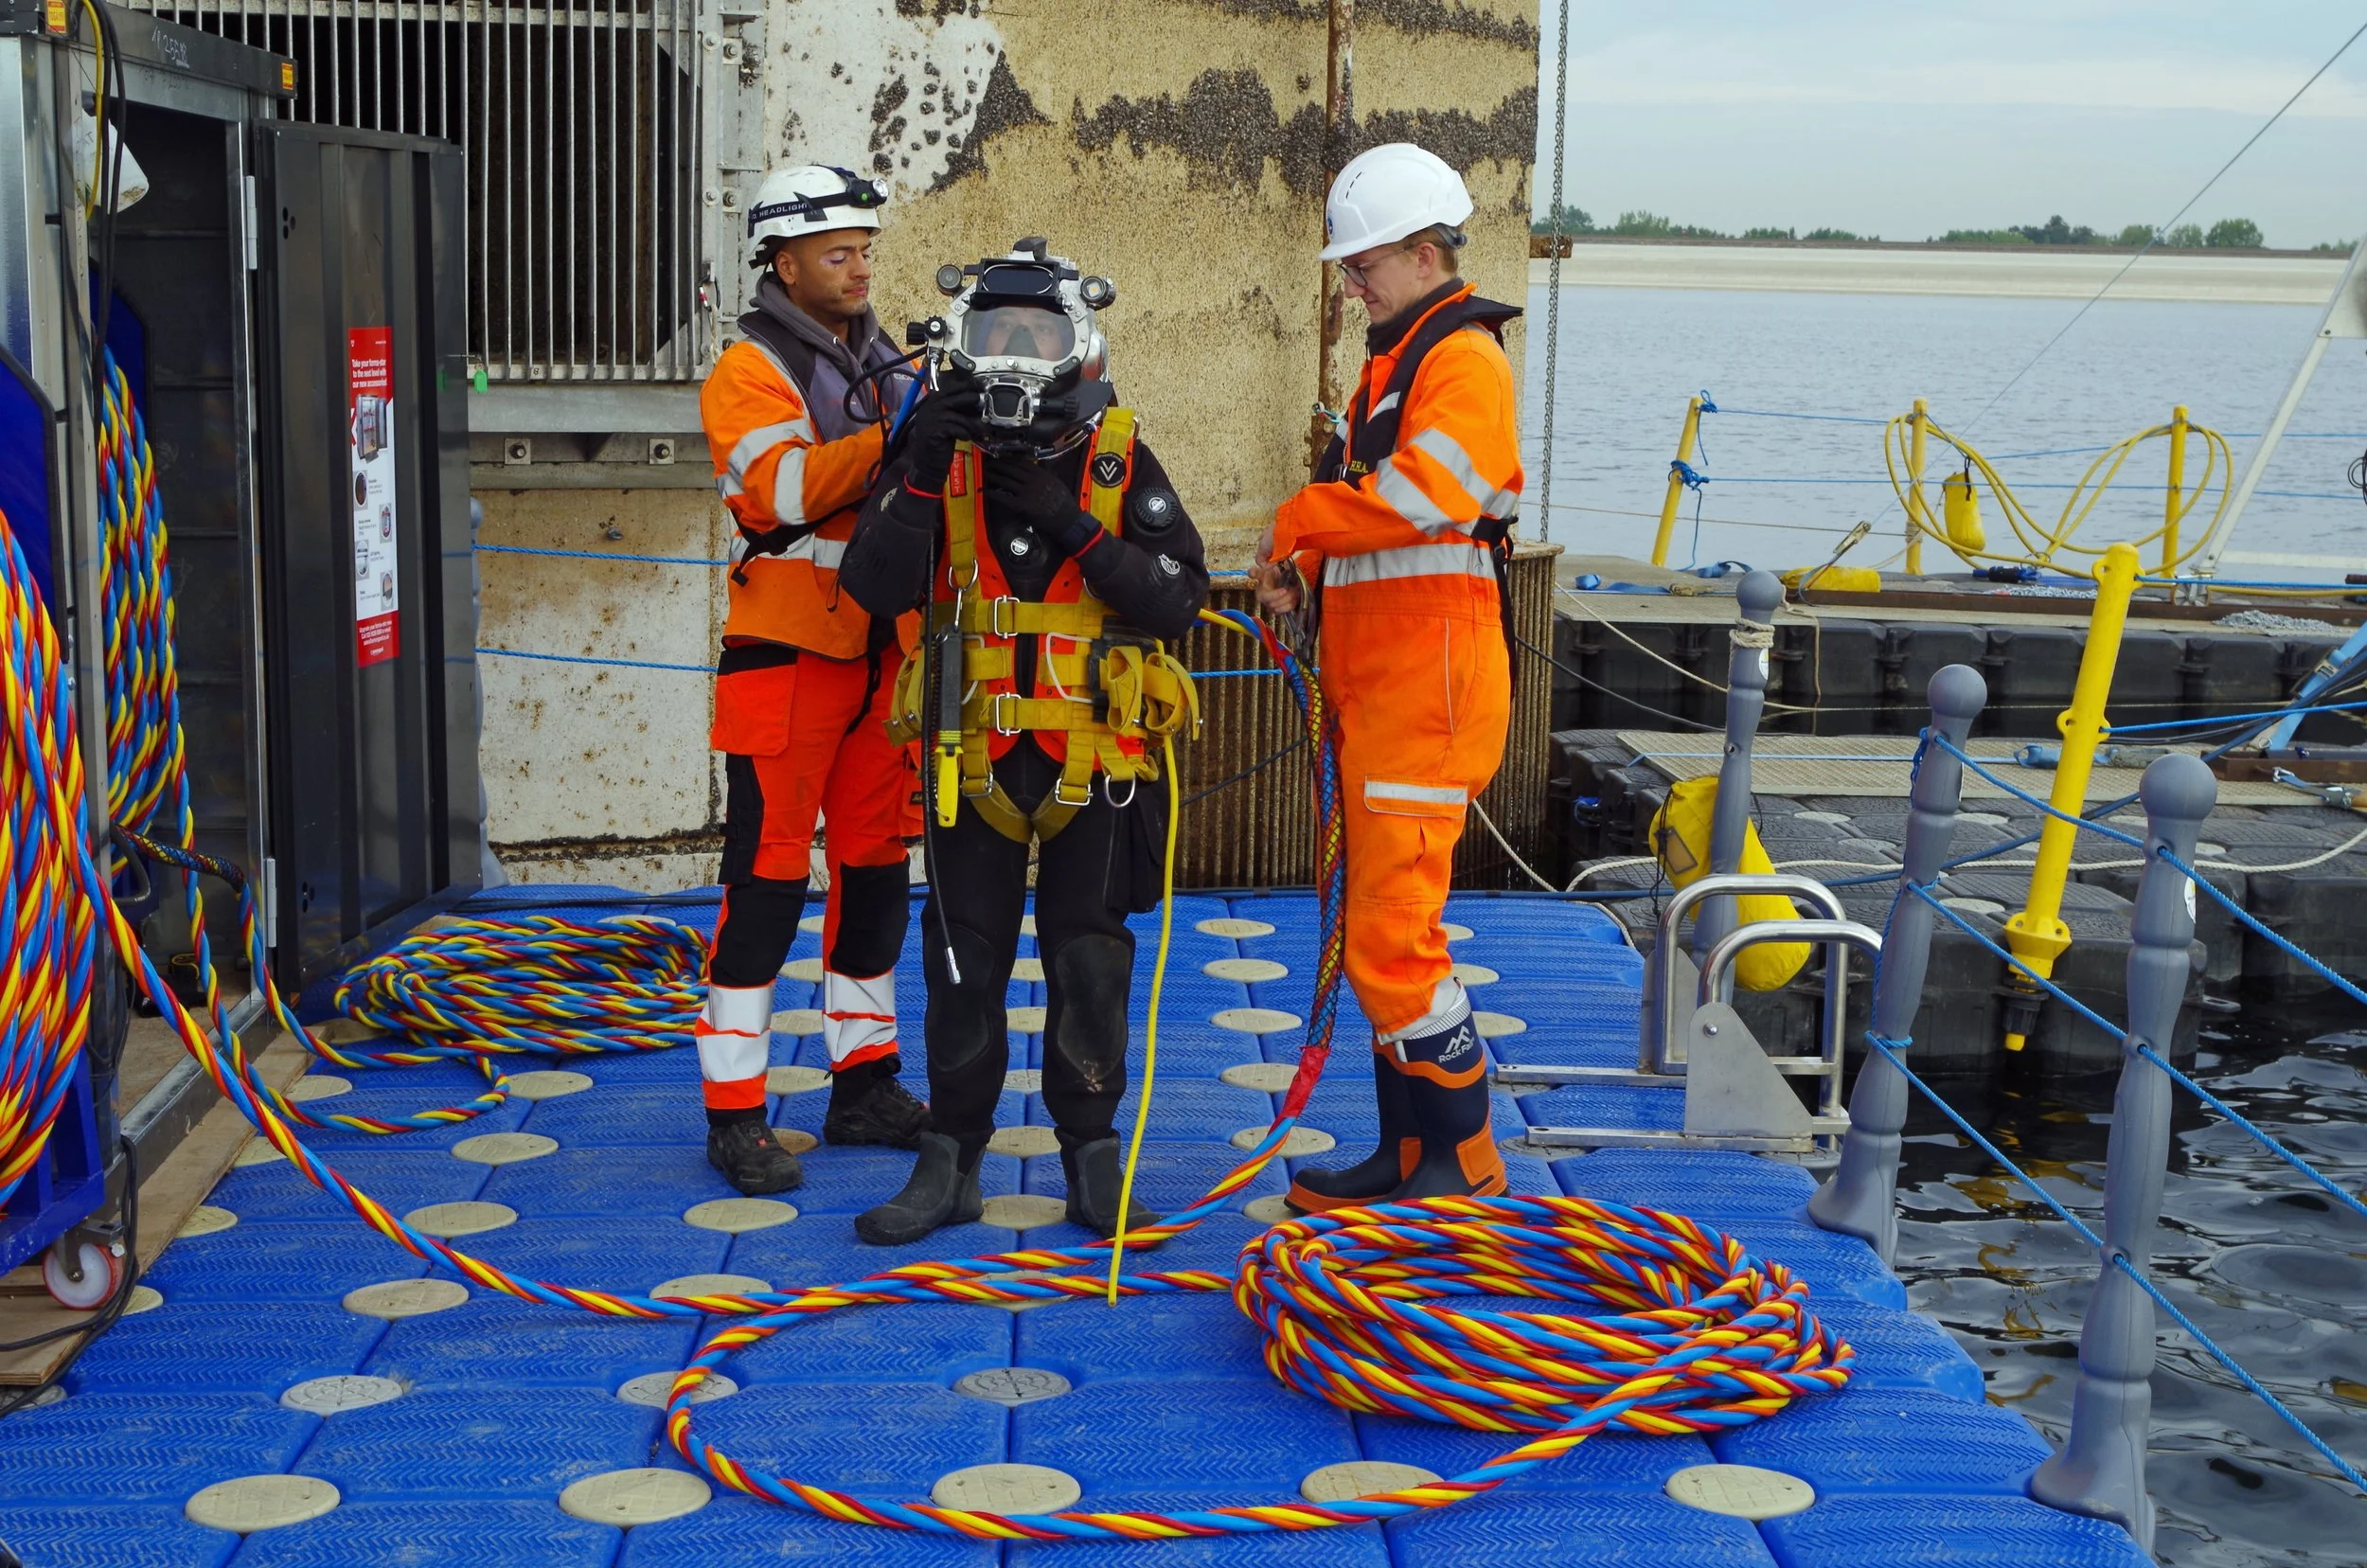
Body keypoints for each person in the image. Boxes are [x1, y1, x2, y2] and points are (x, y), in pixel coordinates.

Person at [838, 241, 1209, 1244]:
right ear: (956, 345)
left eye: (1032, 337)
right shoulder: (934, 461)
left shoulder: (1118, 461)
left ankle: (1089, 1150)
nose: (1010, 358)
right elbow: (868, 591)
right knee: (964, 957)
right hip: (969, 762)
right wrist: (918, 475)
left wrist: (1065, 518)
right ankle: (951, 1156)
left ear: (1077, 346)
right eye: (990, 336)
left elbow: (1177, 601)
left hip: (1098, 762)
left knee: (1090, 958)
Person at [1251, 143, 1523, 1213]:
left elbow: (1424, 499)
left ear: (1423, 253)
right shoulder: (1394, 362)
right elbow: (1379, 513)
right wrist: (1308, 569)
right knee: (1376, 923)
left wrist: (1298, 523)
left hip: (1431, 688)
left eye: (1363, 266)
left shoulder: (1463, 365)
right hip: (1384, 683)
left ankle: (1462, 1161)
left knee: (1392, 931)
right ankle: (1407, 1155)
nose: (1350, 285)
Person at [691, 165, 932, 1196]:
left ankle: (863, 1084)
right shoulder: (748, 370)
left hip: (885, 662)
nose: (858, 267)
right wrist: (901, 435)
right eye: (837, 253)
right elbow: (778, 493)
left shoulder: (881, 358)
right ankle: (735, 1113)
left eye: (865, 250)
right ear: (782, 262)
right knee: (766, 890)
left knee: (875, 882)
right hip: (790, 663)